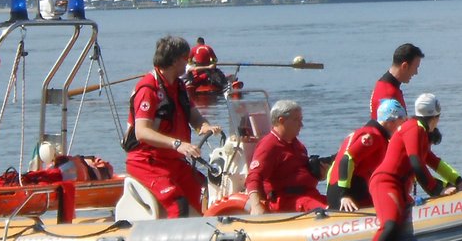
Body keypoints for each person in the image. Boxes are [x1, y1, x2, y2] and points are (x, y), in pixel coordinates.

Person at [124, 35, 226, 217]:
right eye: (186, 59)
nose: (188, 64)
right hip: (148, 162)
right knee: (178, 204)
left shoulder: (178, 86)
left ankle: (206, 234)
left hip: (174, 162)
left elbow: (194, 116)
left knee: (207, 189)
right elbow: (142, 132)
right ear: (174, 61)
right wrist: (178, 144)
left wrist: (205, 126)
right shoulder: (149, 90)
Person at [366, 92, 462, 241]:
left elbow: (434, 162)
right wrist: (437, 190)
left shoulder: (419, 130)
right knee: (390, 225)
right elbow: (417, 164)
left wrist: (458, 181)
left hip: (399, 186)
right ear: (435, 118)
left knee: (403, 223)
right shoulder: (414, 128)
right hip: (386, 182)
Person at [244, 99, 324, 214]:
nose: (301, 125)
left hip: (310, 194)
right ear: (282, 120)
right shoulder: (269, 145)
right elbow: (253, 177)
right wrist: (256, 205)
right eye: (297, 120)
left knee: (337, 203)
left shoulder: (297, 144)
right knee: (324, 208)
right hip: (288, 200)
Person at [326, 98, 406, 211]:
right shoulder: (372, 136)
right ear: (390, 121)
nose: (401, 128)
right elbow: (347, 160)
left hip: (351, 189)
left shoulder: (376, 135)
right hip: (345, 195)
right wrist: (343, 195)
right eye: (401, 122)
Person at [369, 43, 424, 118]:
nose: (416, 73)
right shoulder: (389, 94)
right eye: (415, 68)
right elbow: (392, 128)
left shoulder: (382, 84)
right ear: (404, 66)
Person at [184, 38, 229, 104]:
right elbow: (215, 60)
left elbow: (189, 60)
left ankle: (190, 85)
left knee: (191, 74)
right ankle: (224, 85)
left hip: (198, 70)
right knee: (218, 74)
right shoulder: (209, 48)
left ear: (197, 43)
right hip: (208, 69)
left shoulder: (193, 49)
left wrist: (193, 63)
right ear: (204, 43)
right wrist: (211, 65)